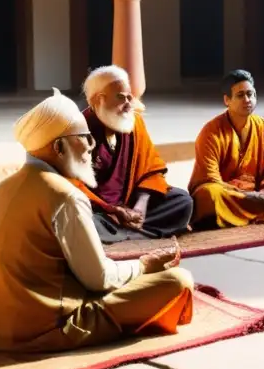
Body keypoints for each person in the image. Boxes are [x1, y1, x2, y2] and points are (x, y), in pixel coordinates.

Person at [0, 90, 195, 353]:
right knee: (178, 281)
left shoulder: (5, 187)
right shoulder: (65, 195)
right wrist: (143, 265)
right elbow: (99, 279)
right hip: (43, 328)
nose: (92, 146)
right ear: (58, 147)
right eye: (84, 138)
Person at [70, 66, 193, 243]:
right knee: (79, 218)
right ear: (98, 100)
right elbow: (70, 185)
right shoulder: (77, 131)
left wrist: (140, 205)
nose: (128, 104)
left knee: (182, 201)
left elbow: (150, 168)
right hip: (98, 209)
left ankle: (122, 233)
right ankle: (129, 232)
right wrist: (112, 210)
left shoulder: (134, 123)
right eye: (120, 97)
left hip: (130, 202)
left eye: (130, 97)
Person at [188, 69, 264, 228]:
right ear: (227, 100)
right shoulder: (211, 132)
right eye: (240, 95)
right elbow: (211, 178)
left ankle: (248, 214)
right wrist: (247, 196)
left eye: (251, 94)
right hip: (229, 193)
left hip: (259, 191)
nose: (247, 100)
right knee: (210, 195)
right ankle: (263, 212)